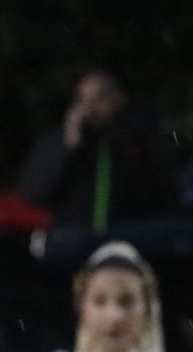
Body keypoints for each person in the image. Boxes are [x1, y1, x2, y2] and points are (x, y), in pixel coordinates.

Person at [17, 69, 174, 233]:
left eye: (100, 97)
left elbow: (163, 191)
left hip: (125, 240)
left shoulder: (139, 138)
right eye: (83, 99)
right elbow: (32, 194)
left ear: (119, 98)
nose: (91, 105)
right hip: (71, 239)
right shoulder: (57, 141)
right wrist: (67, 148)